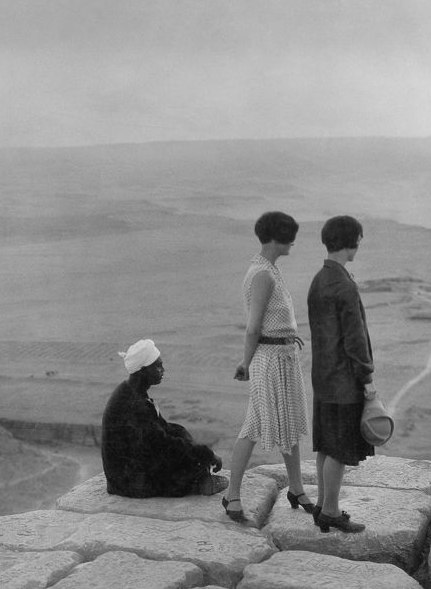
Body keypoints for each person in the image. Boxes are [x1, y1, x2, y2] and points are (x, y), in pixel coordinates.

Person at [223, 211, 314, 523]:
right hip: (270, 360)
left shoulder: (268, 269)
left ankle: (296, 488)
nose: (293, 243)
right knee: (260, 425)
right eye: (289, 237)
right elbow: (253, 327)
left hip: (282, 358)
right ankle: (234, 495)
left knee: (275, 424)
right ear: (277, 238)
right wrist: (245, 363)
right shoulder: (262, 274)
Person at [306, 214, 377, 533]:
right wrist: (367, 379)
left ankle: (322, 505)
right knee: (339, 448)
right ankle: (331, 512)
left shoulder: (320, 279)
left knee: (325, 445)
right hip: (343, 380)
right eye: (358, 240)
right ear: (349, 241)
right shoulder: (343, 284)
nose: (359, 245)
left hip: (322, 376)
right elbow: (355, 338)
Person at [101, 339, 227, 498]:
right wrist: (206, 454)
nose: (163, 370)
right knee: (183, 467)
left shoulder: (131, 390)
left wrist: (197, 449)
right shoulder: (134, 404)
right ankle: (200, 480)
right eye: (158, 366)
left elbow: (163, 429)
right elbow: (163, 444)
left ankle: (200, 475)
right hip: (127, 482)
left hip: (128, 470)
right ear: (143, 370)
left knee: (180, 432)